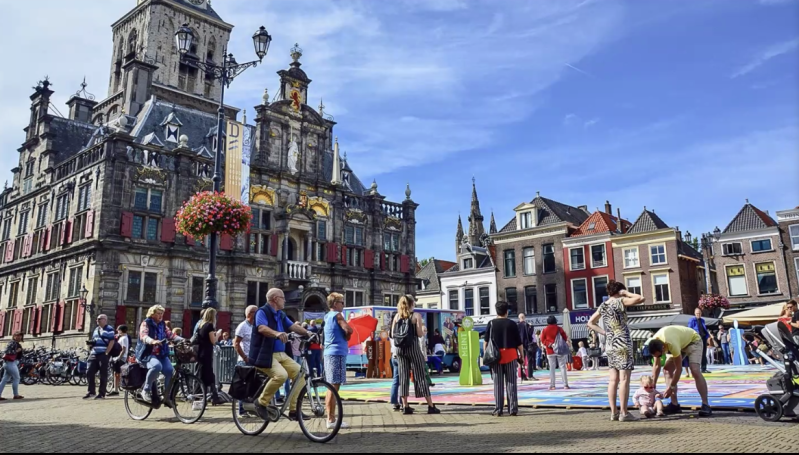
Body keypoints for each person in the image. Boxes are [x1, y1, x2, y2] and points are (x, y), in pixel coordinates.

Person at [249, 288, 312, 422]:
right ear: (275, 299)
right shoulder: (262, 311)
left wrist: (308, 333)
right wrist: (276, 333)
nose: (285, 300)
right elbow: (261, 328)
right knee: (281, 375)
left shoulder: (280, 314)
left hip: (281, 354)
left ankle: (294, 410)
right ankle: (261, 403)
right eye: (283, 298)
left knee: (301, 374)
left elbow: (293, 327)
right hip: (265, 354)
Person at [587, 280, 644, 422]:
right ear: (619, 291)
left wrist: (605, 333)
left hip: (611, 344)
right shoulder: (620, 301)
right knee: (624, 379)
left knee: (613, 380)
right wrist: (625, 292)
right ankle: (624, 413)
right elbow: (640, 298)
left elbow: (590, 323)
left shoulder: (603, 305)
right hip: (623, 342)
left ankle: (614, 412)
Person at [648, 325, 713, 417]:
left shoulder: (671, 343)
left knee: (694, 370)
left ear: (663, 348)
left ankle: (705, 404)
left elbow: (679, 369)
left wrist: (671, 387)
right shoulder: (654, 343)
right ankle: (674, 404)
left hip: (693, 341)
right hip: (680, 342)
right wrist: (653, 384)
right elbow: (657, 365)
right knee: (667, 370)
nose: (659, 357)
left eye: (660, 355)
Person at [392, 295, 440, 415]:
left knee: (403, 377)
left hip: (400, 350)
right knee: (420, 375)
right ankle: (430, 405)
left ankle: (405, 406)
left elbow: (393, 334)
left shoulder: (397, 316)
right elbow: (419, 334)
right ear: (412, 303)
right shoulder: (416, 316)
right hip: (413, 348)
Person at [136, 305, 183, 404]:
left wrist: (184, 340)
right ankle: (146, 390)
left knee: (170, 371)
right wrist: (152, 341)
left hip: (161, 353)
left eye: (162, 313)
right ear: (152, 314)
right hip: (148, 353)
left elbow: (171, 335)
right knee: (156, 366)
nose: (160, 315)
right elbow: (143, 336)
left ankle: (167, 396)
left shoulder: (162, 324)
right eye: (158, 313)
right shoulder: (146, 323)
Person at [484, 301, 523, 417]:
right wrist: (521, 355)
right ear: (507, 312)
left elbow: (486, 342)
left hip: (496, 357)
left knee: (498, 384)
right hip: (511, 355)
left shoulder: (491, 324)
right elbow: (519, 343)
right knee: (511, 383)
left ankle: (498, 409)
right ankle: (513, 409)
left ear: (496, 311)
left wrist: (486, 355)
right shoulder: (512, 324)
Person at [324, 293, 353, 430]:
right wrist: (348, 335)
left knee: (331, 386)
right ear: (335, 303)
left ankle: (330, 417)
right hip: (337, 353)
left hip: (329, 352)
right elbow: (348, 329)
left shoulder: (327, 316)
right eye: (341, 302)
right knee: (334, 387)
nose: (343, 304)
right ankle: (331, 419)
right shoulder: (337, 315)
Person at [196, 308, 225, 406]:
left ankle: (214, 397)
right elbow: (213, 341)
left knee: (207, 375)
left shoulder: (201, 325)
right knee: (206, 375)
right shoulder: (209, 326)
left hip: (201, 353)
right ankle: (202, 397)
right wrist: (218, 334)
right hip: (206, 354)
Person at [84, 314, 117, 400]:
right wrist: (92, 343)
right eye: (97, 319)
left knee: (103, 374)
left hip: (103, 354)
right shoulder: (96, 329)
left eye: (99, 319)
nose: (97, 320)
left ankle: (101, 393)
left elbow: (111, 341)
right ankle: (91, 392)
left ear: (105, 320)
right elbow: (95, 339)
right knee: (89, 371)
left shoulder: (109, 329)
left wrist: (107, 352)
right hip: (94, 353)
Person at [234, 305, 258, 417]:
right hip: (244, 361)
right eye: (256, 312)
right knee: (243, 387)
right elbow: (236, 344)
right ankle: (242, 410)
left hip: (254, 360)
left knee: (253, 386)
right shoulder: (242, 326)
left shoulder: (256, 326)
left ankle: (251, 408)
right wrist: (244, 357)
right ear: (250, 313)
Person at [540, 316, 570, 391]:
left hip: (550, 351)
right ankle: (565, 384)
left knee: (552, 368)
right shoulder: (559, 328)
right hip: (560, 350)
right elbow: (565, 337)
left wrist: (550, 344)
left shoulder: (544, 330)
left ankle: (552, 385)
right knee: (562, 367)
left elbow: (542, 340)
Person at [0, 331, 25, 401]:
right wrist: (17, 351)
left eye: (20, 336)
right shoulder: (12, 343)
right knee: (17, 378)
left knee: (4, 380)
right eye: (16, 336)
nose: (18, 337)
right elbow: (6, 351)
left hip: (9, 363)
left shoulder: (16, 343)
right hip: (10, 363)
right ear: (14, 336)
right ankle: (16, 395)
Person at [109, 325, 131, 397]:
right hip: (120, 357)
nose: (117, 331)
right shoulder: (122, 337)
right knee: (116, 373)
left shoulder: (124, 338)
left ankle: (119, 389)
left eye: (118, 330)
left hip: (121, 358)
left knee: (119, 373)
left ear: (121, 330)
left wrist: (119, 357)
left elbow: (123, 349)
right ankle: (116, 389)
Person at [689, 308, 712, 374]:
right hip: (697, 339)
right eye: (697, 313)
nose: (698, 315)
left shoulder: (702, 320)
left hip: (703, 338)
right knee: (697, 354)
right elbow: (690, 329)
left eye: (699, 313)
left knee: (704, 354)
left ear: (701, 313)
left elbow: (704, 329)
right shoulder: (692, 320)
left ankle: (704, 368)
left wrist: (707, 337)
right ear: (694, 313)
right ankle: (697, 369)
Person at [517, 314, 537, 381]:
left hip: (520, 345)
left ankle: (523, 375)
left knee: (521, 360)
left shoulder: (517, 326)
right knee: (529, 360)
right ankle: (530, 375)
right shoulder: (528, 325)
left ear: (519, 318)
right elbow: (532, 337)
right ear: (524, 318)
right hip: (528, 345)